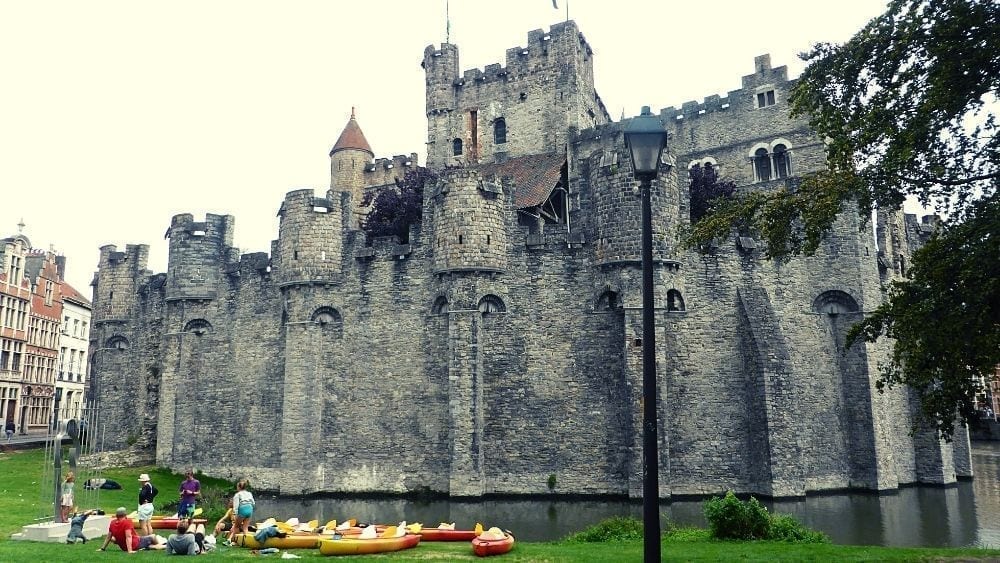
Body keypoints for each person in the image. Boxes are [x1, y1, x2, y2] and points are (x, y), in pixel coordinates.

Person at [97, 507, 164, 553]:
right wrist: (130, 550)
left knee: (146, 542)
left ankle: (151, 547)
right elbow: (128, 536)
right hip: (135, 544)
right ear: (125, 515)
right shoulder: (127, 522)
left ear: (117, 515)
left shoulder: (112, 523)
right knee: (153, 536)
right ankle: (159, 545)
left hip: (124, 547)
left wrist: (102, 548)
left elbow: (109, 537)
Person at [227, 479, 255, 544]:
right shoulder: (249, 493)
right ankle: (247, 542)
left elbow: (236, 506)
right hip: (250, 509)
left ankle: (230, 540)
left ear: (238, 487)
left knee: (236, 526)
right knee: (245, 528)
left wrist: (235, 514)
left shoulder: (237, 495)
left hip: (242, 509)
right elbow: (253, 503)